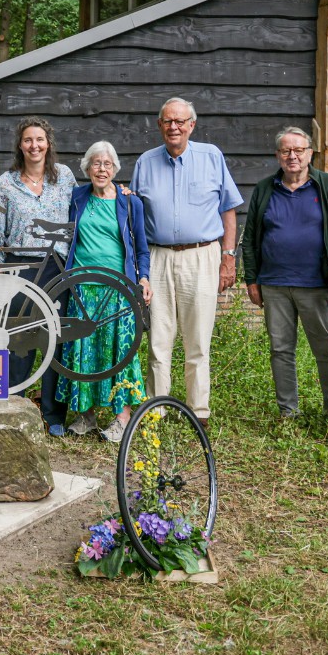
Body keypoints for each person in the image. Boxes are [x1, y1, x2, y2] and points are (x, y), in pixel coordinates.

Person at [130, 97, 243, 425]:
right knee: (159, 339)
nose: (174, 127)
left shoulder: (211, 157)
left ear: (192, 125)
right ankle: (156, 408)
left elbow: (228, 210)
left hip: (202, 255)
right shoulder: (146, 162)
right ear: (159, 125)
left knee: (198, 340)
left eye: (180, 121)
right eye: (167, 121)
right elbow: (135, 215)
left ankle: (198, 411)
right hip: (159, 256)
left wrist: (228, 258)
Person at [240, 127, 328, 436]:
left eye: (299, 150)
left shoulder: (327, 186)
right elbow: (249, 238)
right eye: (286, 151)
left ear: (309, 153)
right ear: (278, 155)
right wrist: (251, 279)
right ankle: (288, 412)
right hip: (274, 284)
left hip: (317, 285)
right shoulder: (265, 189)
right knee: (281, 351)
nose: (293, 156)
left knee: (327, 350)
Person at [0, 117, 76, 432]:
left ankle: (52, 415)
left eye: (40, 139)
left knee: (55, 339)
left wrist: (121, 194)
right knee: (19, 340)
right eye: (28, 140)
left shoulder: (64, 177)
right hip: (19, 266)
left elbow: (83, 210)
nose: (34, 145)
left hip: (56, 266)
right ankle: (13, 406)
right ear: (19, 145)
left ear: (48, 143)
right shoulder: (5, 183)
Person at [56, 142, 151, 442]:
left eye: (108, 164)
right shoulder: (77, 197)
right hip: (82, 287)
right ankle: (86, 415)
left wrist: (144, 278)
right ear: (86, 168)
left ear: (115, 169)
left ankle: (122, 417)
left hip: (117, 289)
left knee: (119, 353)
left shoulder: (129, 202)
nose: (101, 169)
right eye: (96, 163)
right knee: (83, 352)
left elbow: (141, 248)